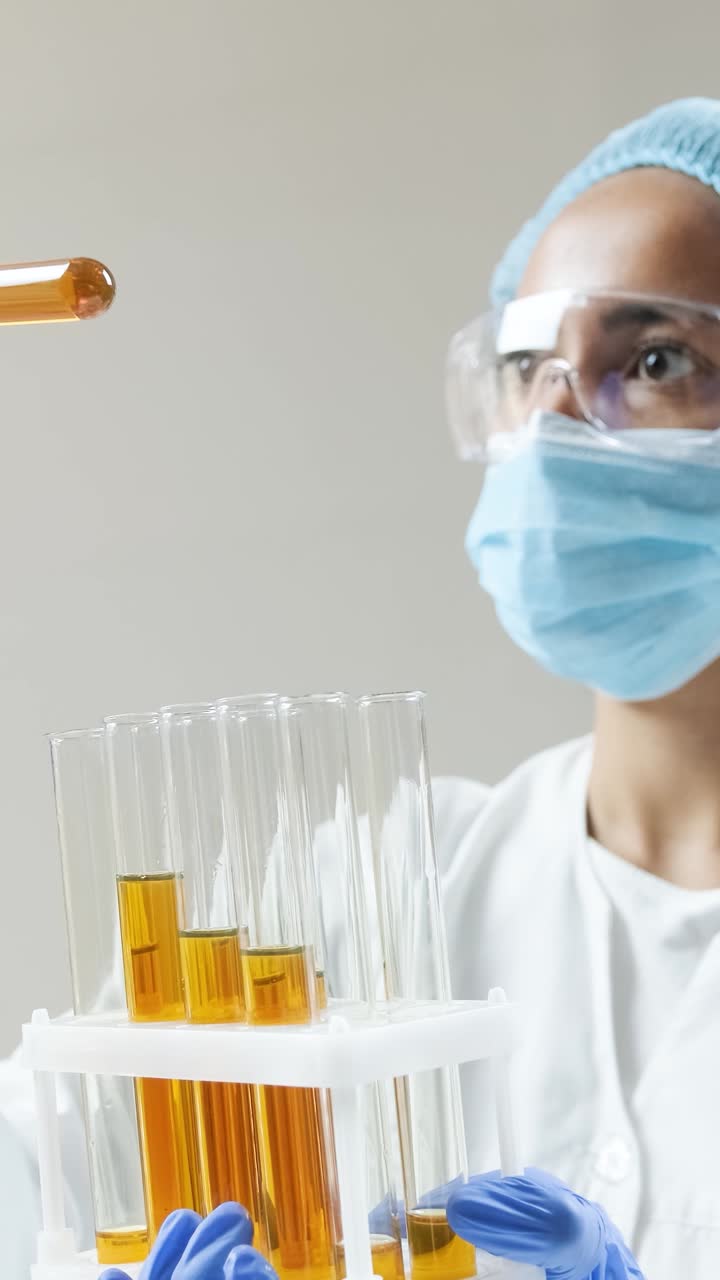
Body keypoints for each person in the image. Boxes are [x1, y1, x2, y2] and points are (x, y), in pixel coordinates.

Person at [3, 95, 720, 1278]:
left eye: (652, 360)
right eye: (528, 367)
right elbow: (42, 1163)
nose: (553, 428)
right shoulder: (381, 889)